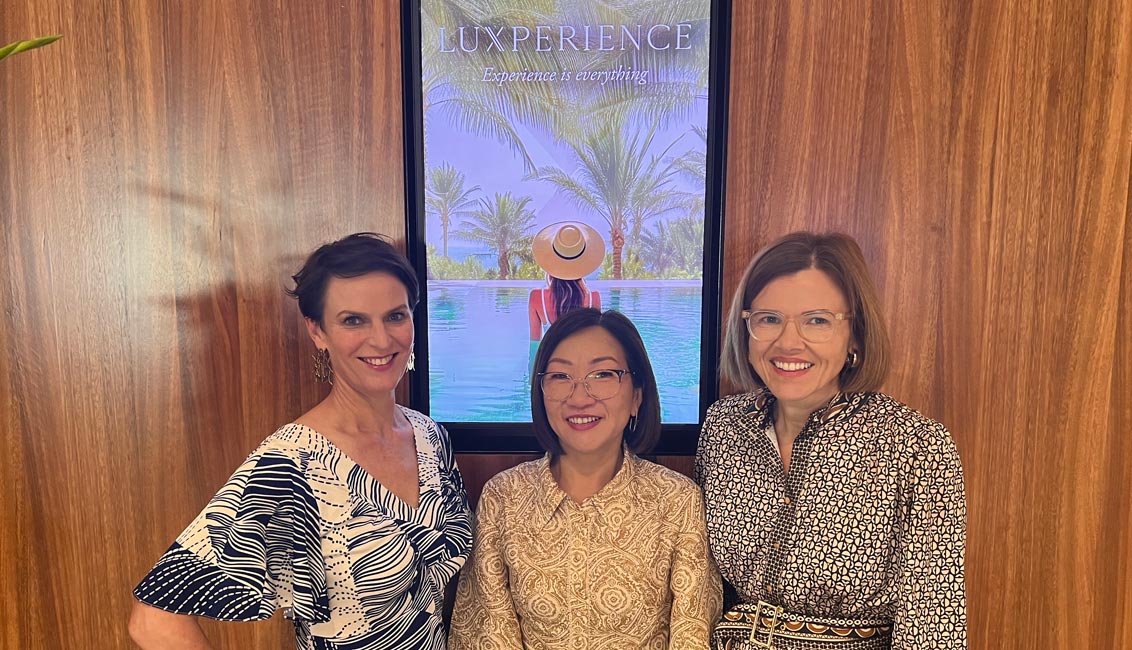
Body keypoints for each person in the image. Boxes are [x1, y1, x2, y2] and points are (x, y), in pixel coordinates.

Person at [128, 233, 473, 650]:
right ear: (317, 331)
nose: (382, 340)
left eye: (395, 316)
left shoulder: (430, 437)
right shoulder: (291, 462)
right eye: (353, 320)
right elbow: (153, 621)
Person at [695, 232, 966, 649]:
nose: (788, 342)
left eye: (817, 321)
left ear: (855, 335)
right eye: (768, 319)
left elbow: (933, 626)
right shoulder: (722, 426)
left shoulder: (918, 446)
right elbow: (708, 588)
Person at [451, 308, 722, 649]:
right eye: (560, 376)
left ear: (637, 396)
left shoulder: (677, 500)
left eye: (603, 374)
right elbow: (487, 634)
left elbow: (692, 636)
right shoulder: (503, 497)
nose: (579, 398)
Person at [527, 222, 604, 364]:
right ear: (583, 263)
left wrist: (533, 376)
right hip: (582, 366)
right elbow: (595, 344)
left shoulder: (537, 297)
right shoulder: (593, 298)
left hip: (552, 367)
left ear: (551, 261)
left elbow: (534, 346)